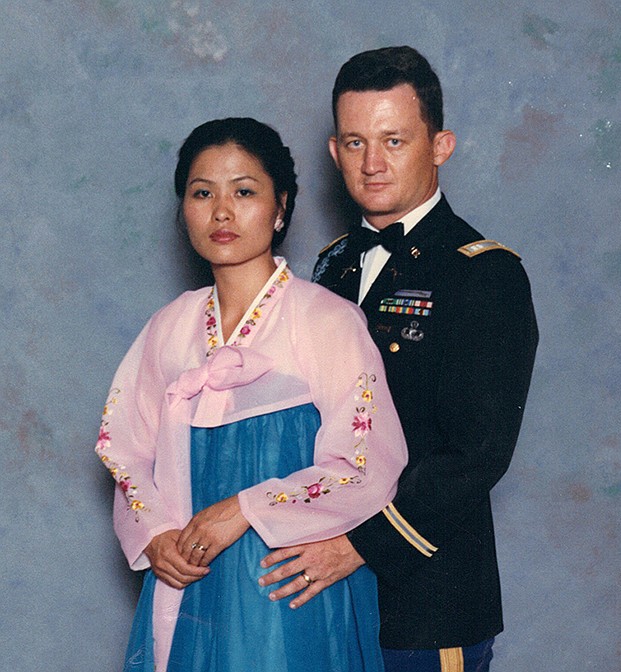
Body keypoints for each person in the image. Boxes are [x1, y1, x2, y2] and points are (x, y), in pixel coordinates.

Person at [258, 47, 539, 671]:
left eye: (394, 140)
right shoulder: (332, 265)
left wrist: (359, 546)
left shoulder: (483, 275)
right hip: (327, 588)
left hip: (425, 596)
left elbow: (474, 456)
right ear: (334, 153)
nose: (373, 163)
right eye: (355, 143)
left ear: (441, 146)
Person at [95, 117, 408, 672]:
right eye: (202, 193)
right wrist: (156, 534)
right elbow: (121, 448)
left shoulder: (328, 321)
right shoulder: (168, 328)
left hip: (289, 584)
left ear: (280, 207)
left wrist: (243, 509)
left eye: (243, 192)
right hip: (189, 583)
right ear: (182, 210)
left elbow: (363, 464)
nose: (221, 211)